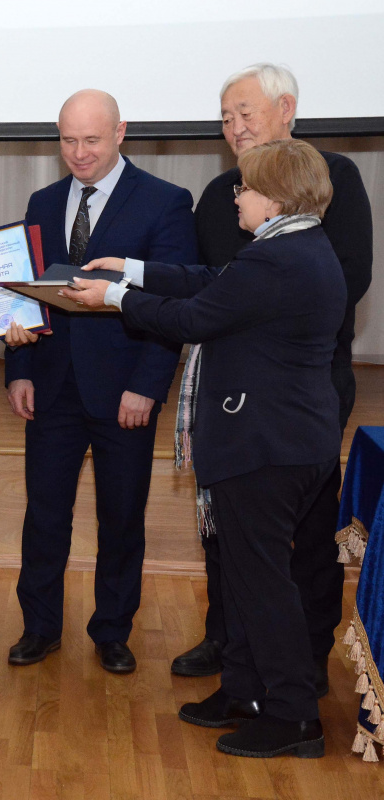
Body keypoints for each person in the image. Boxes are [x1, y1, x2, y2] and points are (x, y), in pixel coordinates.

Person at [65, 138, 344, 759]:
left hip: (266, 446)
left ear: (275, 198)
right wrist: (132, 269)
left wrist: (114, 296)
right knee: (245, 577)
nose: (236, 197)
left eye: (246, 187)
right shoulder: (296, 247)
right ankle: (244, 692)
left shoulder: (277, 259)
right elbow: (213, 281)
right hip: (289, 440)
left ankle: (293, 717)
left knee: (263, 584)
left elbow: (194, 318)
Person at [170, 64, 373, 689]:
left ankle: (304, 655)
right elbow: (207, 283)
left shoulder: (332, 177)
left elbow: (348, 277)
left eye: (245, 112)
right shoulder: (218, 194)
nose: (234, 127)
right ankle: (230, 642)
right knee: (227, 525)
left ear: (286, 109)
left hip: (300, 388)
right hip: (227, 391)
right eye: (225, 117)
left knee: (305, 530)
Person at [3, 90, 197, 674]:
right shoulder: (42, 201)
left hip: (125, 392)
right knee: (44, 516)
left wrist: (149, 386)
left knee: (121, 518)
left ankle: (112, 630)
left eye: (91, 139)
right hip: (52, 387)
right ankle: (39, 627)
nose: (79, 153)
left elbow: (170, 304)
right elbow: (25, 292)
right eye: (68, 140)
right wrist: (19, 368)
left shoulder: (166, 202)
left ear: (120, 133)